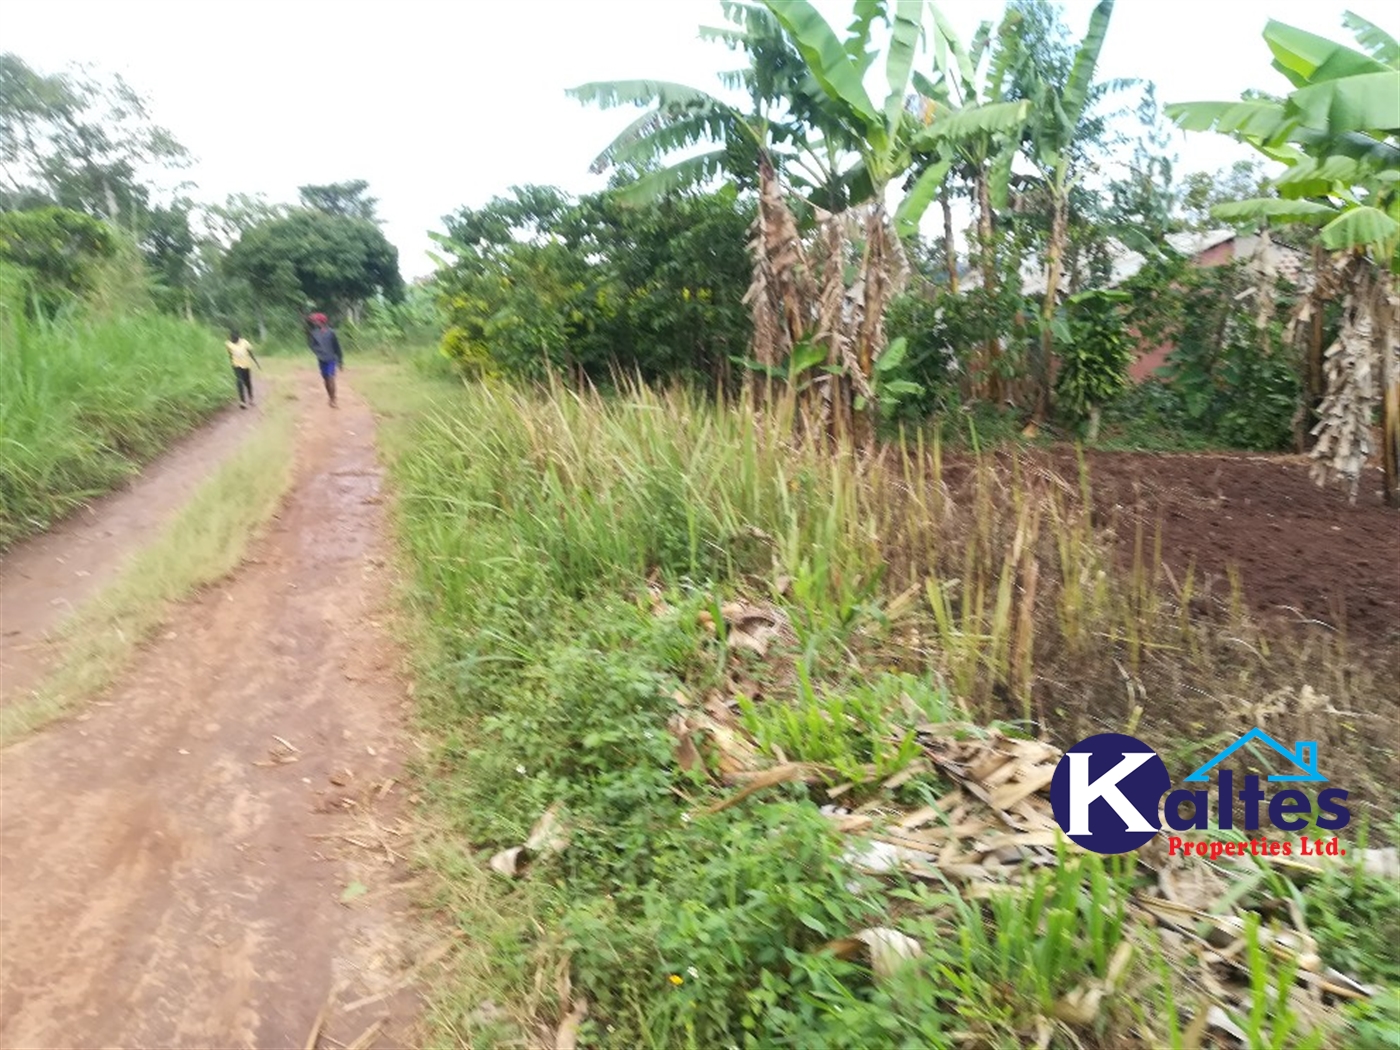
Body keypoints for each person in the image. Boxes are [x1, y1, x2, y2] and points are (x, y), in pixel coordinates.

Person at [306, 312, 343, 407]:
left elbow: (337, 347)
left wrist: (340, 360)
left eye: (317, 321)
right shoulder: (314, 333)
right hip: (321, 359)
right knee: (326, 380)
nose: (315, 322)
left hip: (331, 359)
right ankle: (330, 397)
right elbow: (311, 345)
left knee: (331, 378)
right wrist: (318, 352)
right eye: (314, 321)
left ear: (322, 321)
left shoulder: (331, 332)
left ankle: (333, 399)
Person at [225, 329, 259, 408]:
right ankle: (242, 401)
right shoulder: (228, 344)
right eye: (232, 338)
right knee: (239, 381)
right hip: (236, 365)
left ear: (239, 337)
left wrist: (256, 362)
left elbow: (250, 353)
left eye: (235, 338)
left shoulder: (245, 342)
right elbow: (230, 354)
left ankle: (251, 398)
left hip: (246, 365)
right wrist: (231, 363)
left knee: (247, 382)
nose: (233, 339)